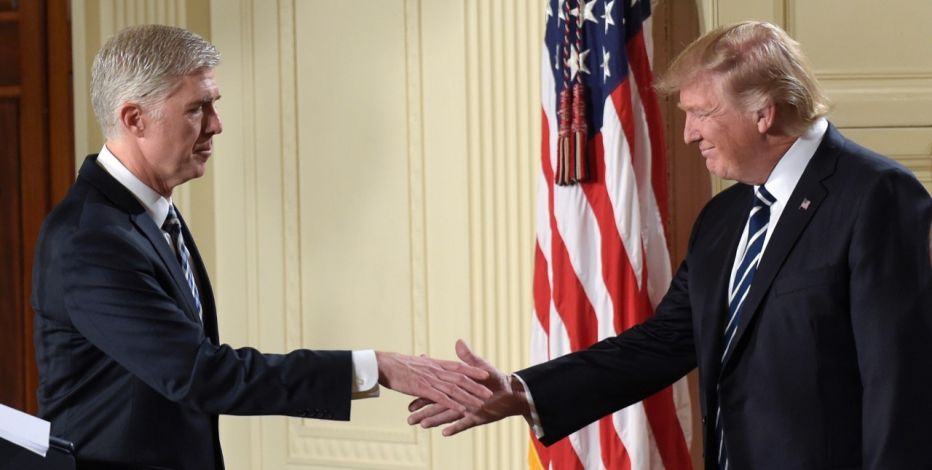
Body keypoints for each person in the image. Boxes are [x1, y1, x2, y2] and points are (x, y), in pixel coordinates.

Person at [409, 21, 932, 469]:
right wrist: (522, 392)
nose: (688, 133)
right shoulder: (725, 217)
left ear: (763, 113)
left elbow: (901, 382)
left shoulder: (876, 195)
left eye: (702, 113)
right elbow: (662, 343)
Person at [31, 24, 490, 470]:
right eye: (197, 108)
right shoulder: (90, 238)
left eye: (214, 104)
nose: (217, 125)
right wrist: (378, 367)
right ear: (135, 119)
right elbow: (200, 374)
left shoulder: (145, 213)